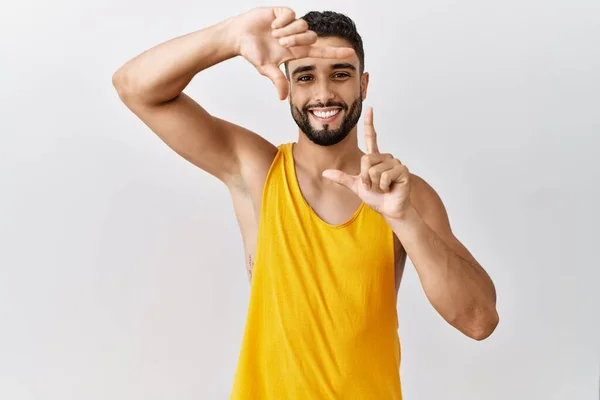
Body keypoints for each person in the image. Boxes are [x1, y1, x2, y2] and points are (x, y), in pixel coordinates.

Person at [112, 6, 499, 399]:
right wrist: (229, 37)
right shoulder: (257, 170)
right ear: (289, 86)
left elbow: (478, 321)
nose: (324, 93)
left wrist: (405, 219)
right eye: (306, 76)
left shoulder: (404, 195)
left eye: (341, 75)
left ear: (363, 84)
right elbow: (134, 87)